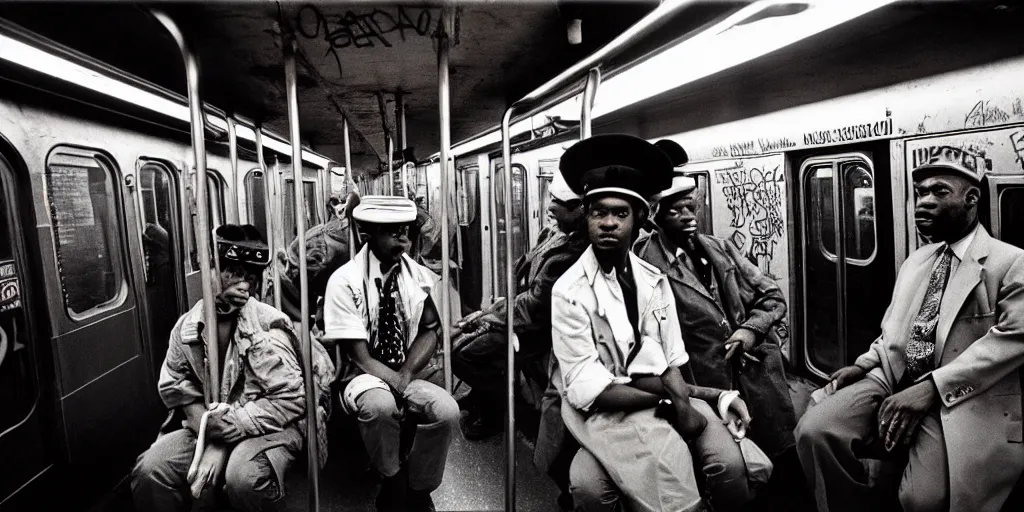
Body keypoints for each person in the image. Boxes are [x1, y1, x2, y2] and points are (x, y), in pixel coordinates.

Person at [795, 152, 1024, 512]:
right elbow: (894, 331)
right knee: (815, 432)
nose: (923, 202)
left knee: (923, 500)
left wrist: (930, 388)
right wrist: (864, 364)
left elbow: (1012, 340)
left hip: (951, 393)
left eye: (938, 192)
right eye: (919, 193)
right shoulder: (917, 261)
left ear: (971, 199)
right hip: (890, 377)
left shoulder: (1009, 262)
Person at [551, 134, 756, 512]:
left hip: (665, 395)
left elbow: (672, 360)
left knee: (730, 468)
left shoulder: (653, 280)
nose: (608, 223)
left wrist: (717, 396)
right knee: (591, 491)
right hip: (604, 414)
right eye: (599, 212)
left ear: (640, 219)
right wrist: (675, 399)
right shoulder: (569, 291)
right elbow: (587, 390)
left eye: (621, 213)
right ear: (587, 216)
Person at [634, 147, 801, 507]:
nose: (688, 217)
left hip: (756, 378)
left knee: (783, 465)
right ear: (655, 218)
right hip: (703, 381)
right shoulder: (644, 265)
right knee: (728, 469)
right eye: (675, 211)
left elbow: (771, 297)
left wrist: (750, 331)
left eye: (691, 208)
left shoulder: (720, 249)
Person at [132, 224, 334, 512]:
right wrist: (209, 431)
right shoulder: (187, 328)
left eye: (250, 277)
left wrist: (223, 439)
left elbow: (288, 400)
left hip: (272, 425)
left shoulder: (268, 327)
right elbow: (177, 387)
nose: (243, 285)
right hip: (208, 424)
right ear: (212, 270)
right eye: (233, 273)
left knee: (242, 477)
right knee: (150, 470)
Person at [322, 196, 459, 512]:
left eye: (406, 233)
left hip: (405, 371)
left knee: (448, 412)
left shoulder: (422, 278)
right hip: (362, 375)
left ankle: (419, 485)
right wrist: (396, 382)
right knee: (381, 407)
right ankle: (392, 477)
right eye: (393, 232)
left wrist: (407, 373)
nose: (403, 240)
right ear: (368, 234)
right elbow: (359, 356)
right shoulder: (343, 281)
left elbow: (429, 330)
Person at [451, 170, 587, 440]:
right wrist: (497, 307)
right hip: (522, 316)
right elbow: (522, 268)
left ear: (576, 210)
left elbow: (536, 305)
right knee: (458, 341)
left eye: (555, 206)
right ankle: (481, 396)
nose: (549, 210)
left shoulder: (573, 252)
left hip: (538, 330)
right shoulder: (554, 234)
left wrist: (489, 316)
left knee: (464, 356)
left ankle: (496, 413)